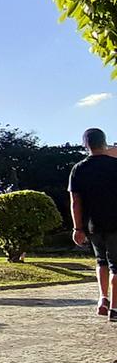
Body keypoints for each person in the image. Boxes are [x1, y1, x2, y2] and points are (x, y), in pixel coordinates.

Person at [68, 128, 117, 320]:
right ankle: (114, 307)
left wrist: (77, 228)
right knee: (116, 265)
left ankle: (102, 298)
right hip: (116, 222)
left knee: (101, 261)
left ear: (86, 145)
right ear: (104, 142)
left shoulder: (79, 169)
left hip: (92, 224)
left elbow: (75, 201)